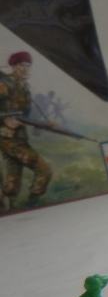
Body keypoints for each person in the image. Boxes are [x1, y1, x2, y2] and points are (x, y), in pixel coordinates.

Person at [0, 52, 53, 209]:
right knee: (44, 170)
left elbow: (26, 115)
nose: (25, 69)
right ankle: (31, 205)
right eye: (21, 65)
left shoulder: (24, 87)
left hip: (20, 138)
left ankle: (7, 208)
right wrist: (4, 120)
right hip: (7, 138)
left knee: (12, 185)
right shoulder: (4, 84)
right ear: (13, 66)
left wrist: (42, 124)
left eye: (28, 66)